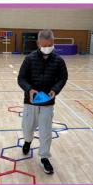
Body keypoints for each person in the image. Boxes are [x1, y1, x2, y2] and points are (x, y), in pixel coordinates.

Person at [17, 30, 68, 175]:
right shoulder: (29, 59)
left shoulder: (59, 60)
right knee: (28, 127)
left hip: (48, 103)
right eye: (44, 45)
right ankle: (27, 141)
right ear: (38, 43)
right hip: (31, 102)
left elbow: (63, 78)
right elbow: (21, 78)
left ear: (53, 43)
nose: (47, 48)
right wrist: (29, 89)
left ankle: (44, 157)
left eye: (50, 45)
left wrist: (55, 90)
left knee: (46, 131)